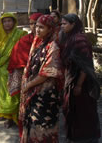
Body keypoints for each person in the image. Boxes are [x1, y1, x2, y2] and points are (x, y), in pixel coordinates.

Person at [19, 15, 63, 143]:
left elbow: (47, 72)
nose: (37, 30)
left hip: (45, 94)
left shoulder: (53, 47)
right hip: (34, 92)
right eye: (36, 26)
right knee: (32, 123)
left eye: (41, 27)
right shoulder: (38, 43)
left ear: (50, 29)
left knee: (43, 127)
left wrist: (29, 85)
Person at [60, 14, 100, 143]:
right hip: (70, 79)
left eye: (64, 24)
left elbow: (85, 65)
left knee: (83, 112)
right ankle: (74, 136)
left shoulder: (80, 40)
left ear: (73, 24)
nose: (62, 26)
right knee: (72, 109)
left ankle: (87, 138)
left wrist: (79, 85)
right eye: (61, 24)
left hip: (82, 84)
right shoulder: (69, 38)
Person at [6, 13, 42, 128]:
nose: (34, 27)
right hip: (25, 76)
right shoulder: (24, 40)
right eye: (31, 24)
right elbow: (16, 57)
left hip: (42, 78)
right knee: (21, 100)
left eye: (37, 24)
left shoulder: (50, 42)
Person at [0, 12, 27, 126]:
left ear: (14, 22)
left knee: (14, 95)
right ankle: (8, 117)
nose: (7, 23)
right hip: (2, 70)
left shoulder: (20, 34)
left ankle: (16, 117)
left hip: (15, 70)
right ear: (2, 23)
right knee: (3, 95)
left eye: (9, 21)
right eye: (5, 21)